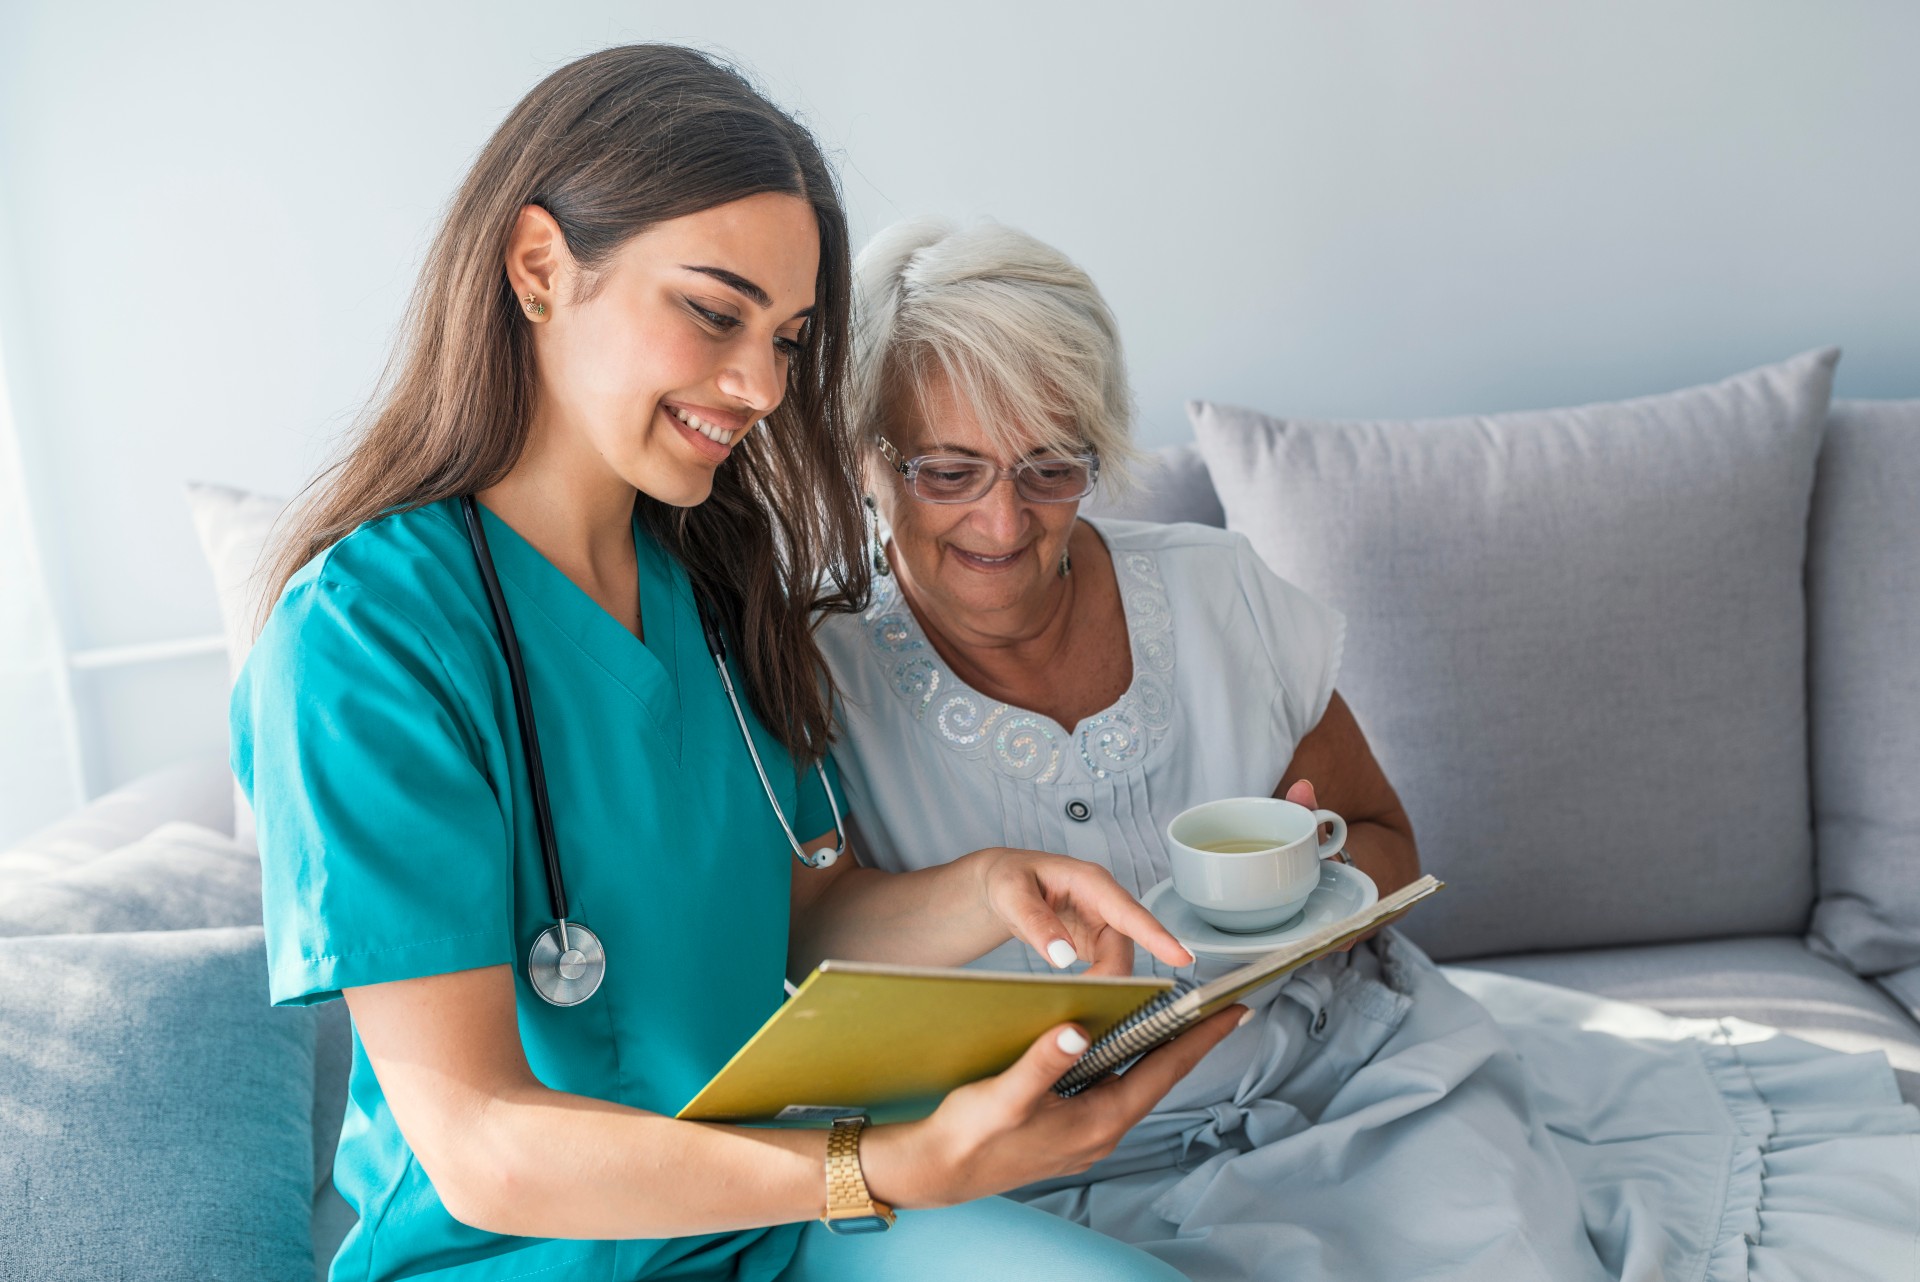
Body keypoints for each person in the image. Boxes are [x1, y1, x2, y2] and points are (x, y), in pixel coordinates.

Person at [234, 47, 1247, 1282]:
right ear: (540, 267)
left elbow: (799, 914)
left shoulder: (711, 574)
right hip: (514, 1257)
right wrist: (877, 1166)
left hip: (764, 1227)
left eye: (789, 336)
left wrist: (989, 889)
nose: (763, 384)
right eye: (716, 314)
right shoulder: (365, 635)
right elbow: (481, 1142)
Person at [817, 217, 1920, 1281]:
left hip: (1347, 1093)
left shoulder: (1216, 592)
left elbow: (1387, 840)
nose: (1005, 525)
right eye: (947, 472)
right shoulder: (815, 670)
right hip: (1042, 1171)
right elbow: (801, 939)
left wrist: (1316, 893)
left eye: (1051, 467)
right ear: (869, 462)